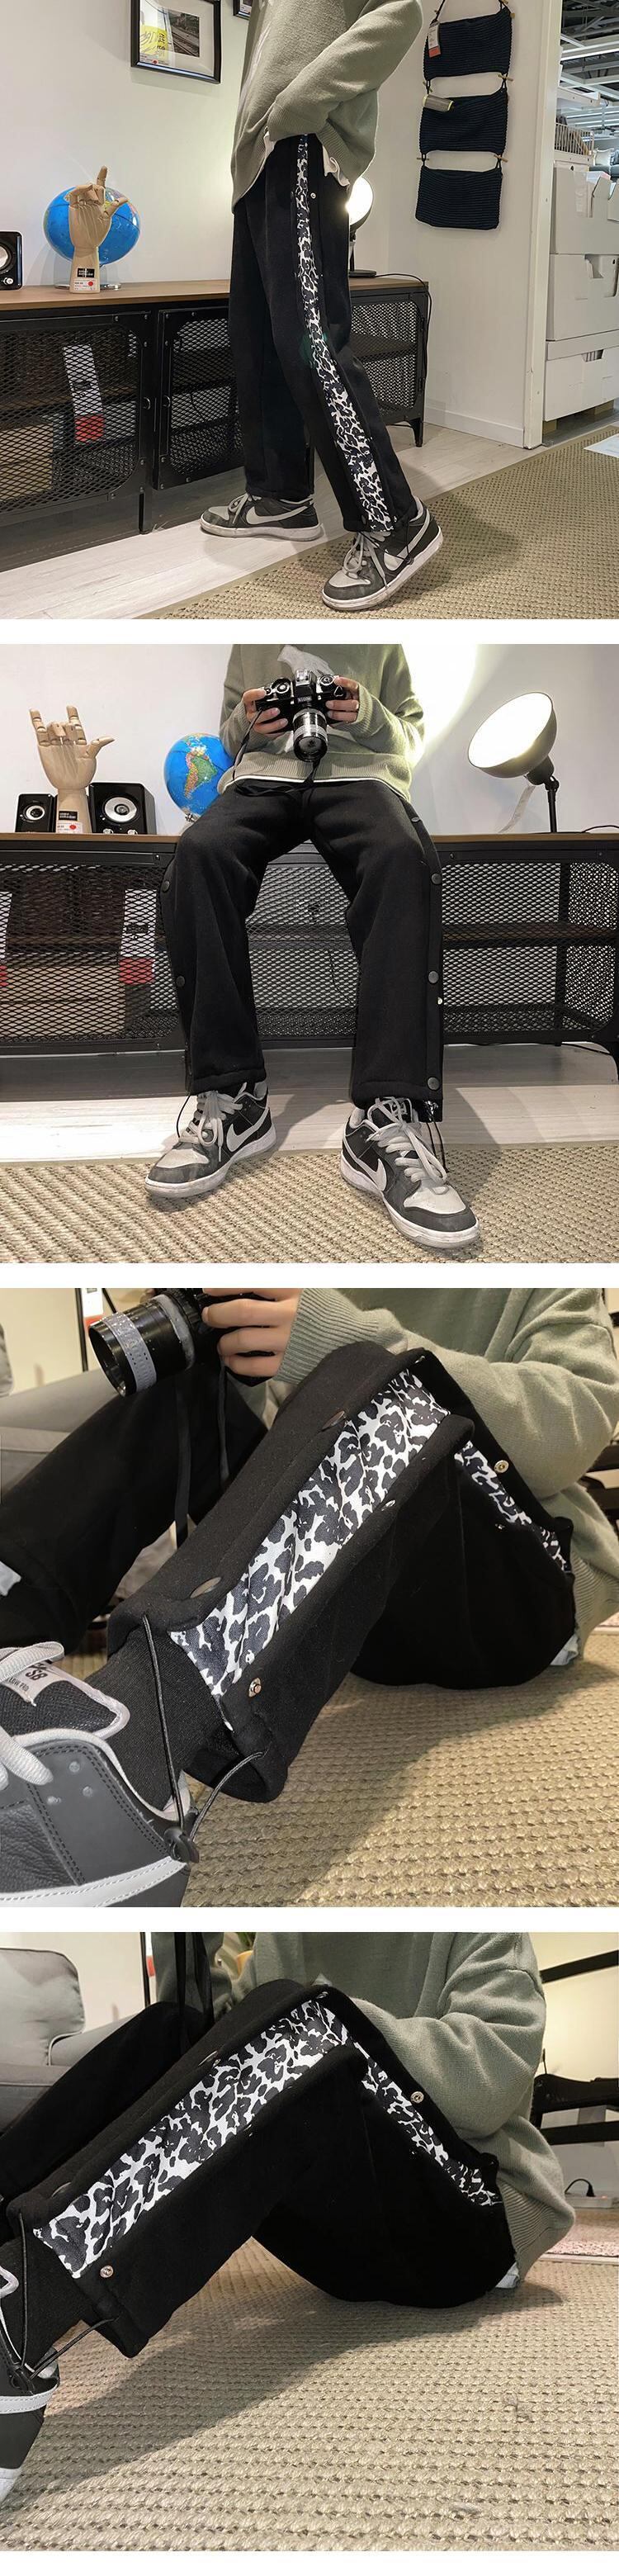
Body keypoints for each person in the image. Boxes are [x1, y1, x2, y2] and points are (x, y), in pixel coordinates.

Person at [0, 1286, 617, 1906]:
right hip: (348, 1604)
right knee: (197, 1375)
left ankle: (124, 1756)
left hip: (510, 1590)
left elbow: (580, 1422)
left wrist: (335, 1337)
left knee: (378, 1377)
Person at [0, 1930, 572, 2507]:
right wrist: (190, 1946)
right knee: (173, 2029)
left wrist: (329, 2018)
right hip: (347, 2239)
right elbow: (215, 2045)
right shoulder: (279, 1929)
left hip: (469, 2222)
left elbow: (490, 2079)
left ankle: (23, 2314)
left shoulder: (473, 1921)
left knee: (304, 2020)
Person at [149, 643, 479, 1251]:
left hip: (360, 778)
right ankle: (235, 1097)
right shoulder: (249, 640)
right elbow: (227, 740)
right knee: (198, 855)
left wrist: (366, 713)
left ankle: (385, 1111)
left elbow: (408, 738)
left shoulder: (383, 642)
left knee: (402, 858)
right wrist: (251, 721)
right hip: (262, 779)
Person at [201, 0, 442, 610]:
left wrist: (297, 106)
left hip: (303, 142)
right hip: (259, 159)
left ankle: (397, 521)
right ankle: (280, 495)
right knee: (259, 340)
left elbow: (400, 14)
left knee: (311, 343)